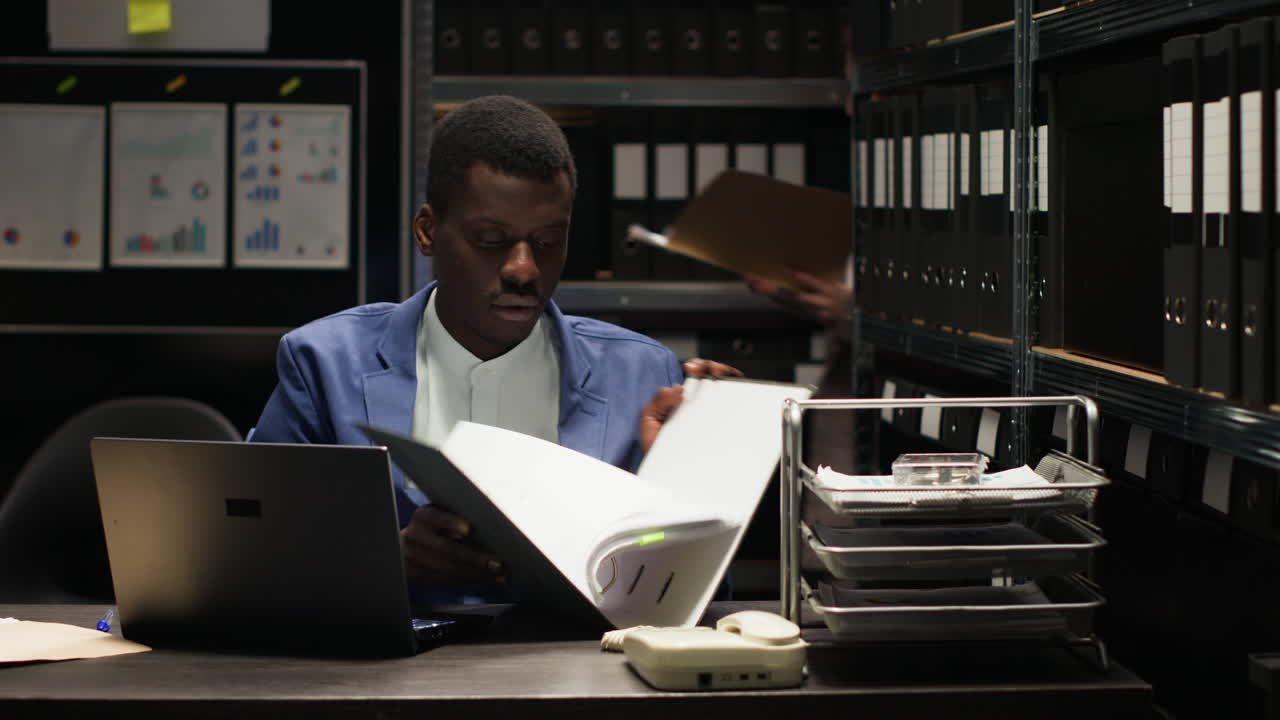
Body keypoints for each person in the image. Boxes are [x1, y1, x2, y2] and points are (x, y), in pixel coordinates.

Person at [251, 95, 736, 601]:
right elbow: (255, 561)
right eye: (490, 240)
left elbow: (697, 600)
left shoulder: (641, 375)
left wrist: (703, 482)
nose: (523, 269)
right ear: (428, 231)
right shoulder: (325, 365)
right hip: (388, 674)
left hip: (579, 671)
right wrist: (384, 561)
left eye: (548, 241)